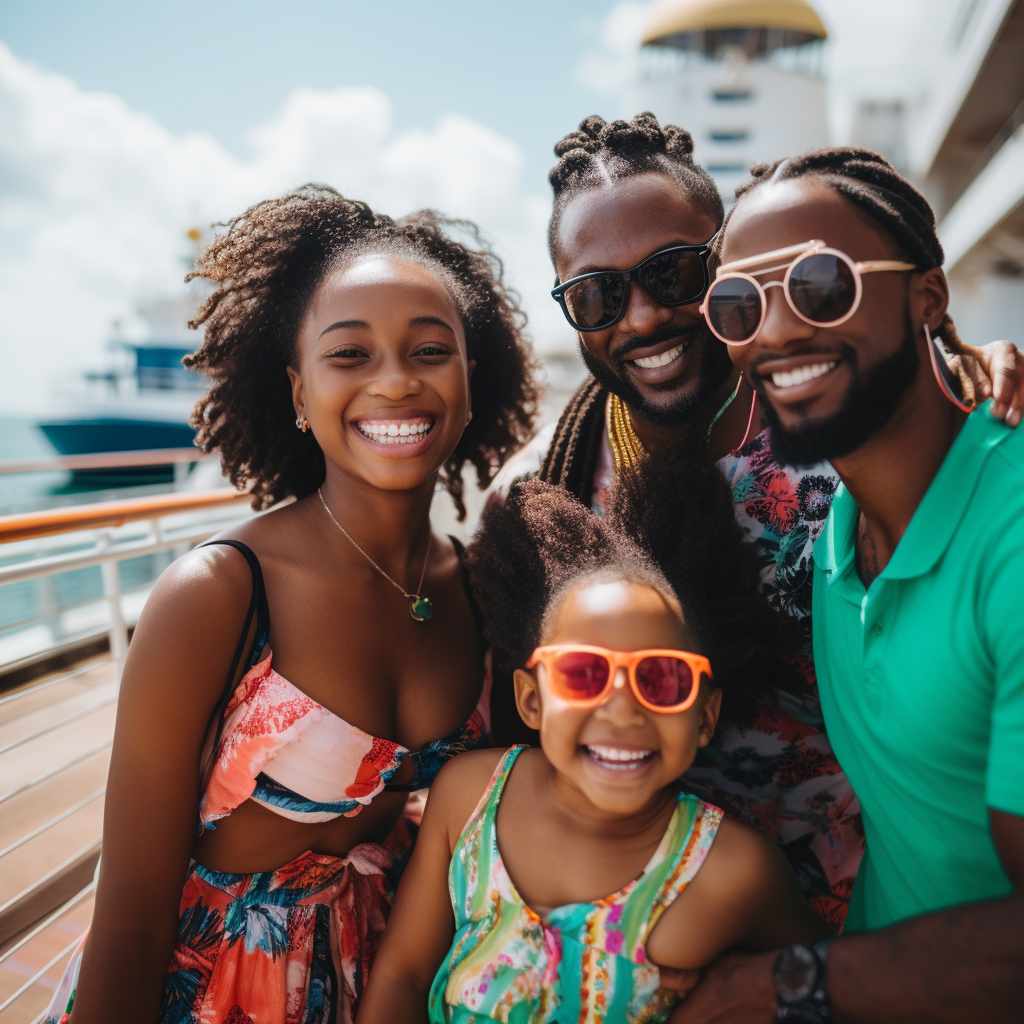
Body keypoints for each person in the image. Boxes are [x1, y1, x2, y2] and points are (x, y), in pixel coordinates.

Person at [489, 112, 1024, 929]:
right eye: (595, 295)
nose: (639, 318)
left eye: (676, 274)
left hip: (885, 911)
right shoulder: (547, 493)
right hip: (662, 923)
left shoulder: (838, 427)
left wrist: (978, 366)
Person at [48, 185, 540, 1024]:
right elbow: (129, 924)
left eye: (429, 350)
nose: (394, 382)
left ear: (467, 379)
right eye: (349, 355)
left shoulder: (490, 592)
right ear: (298, 393)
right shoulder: (219, 596)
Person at [672, 147, 1024, 1023]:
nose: (778, 331)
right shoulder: (834, 541)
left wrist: (780, 987)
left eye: (822, 283)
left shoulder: (1011, 536)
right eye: (739, 306)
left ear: (928, 298)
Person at [357, 444, 832, 1024]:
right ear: (531, 700)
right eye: (583, 674)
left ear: (705, 715)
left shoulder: (734, 872)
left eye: (661, 679)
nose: (622, 712)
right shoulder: (468, 799)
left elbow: (829, 987)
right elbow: (403, 975)